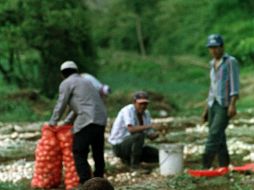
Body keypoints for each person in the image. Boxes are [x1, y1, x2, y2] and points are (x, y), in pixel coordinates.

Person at [48, 60, 107, 184]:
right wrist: (67, 122)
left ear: (62, 74)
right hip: (101, 119)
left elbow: (61, 104)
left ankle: (85, 181)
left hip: (87, 120)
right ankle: (100, 179)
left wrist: (52, 122)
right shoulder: (87, 82)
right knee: (98, 151)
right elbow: (81, 105)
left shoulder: (66, 83)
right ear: (76, 71)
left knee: (78, 151)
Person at [201, 34, 240, 169]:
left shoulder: (230, 61)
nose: (213, 51)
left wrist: (233, 104)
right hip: (213, 104)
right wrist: (206, 109)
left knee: (214, 134)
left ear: (222, 47)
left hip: (224, 104)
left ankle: (205, 166)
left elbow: (234, 84)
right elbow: (212, 88)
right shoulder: (212, 64)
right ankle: (224, 165)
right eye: (211, 48)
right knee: (220, 137)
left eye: (216, 47)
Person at [108, 91, 159, 169]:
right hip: (119, 146)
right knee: (139, 136)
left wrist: (156, 134)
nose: (143, 106)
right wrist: (149, 126)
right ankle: (135, 166)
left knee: (158, 154)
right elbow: (131, 129)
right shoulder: (128, 110)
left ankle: (129, 161)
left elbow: (150, 136)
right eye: (141, 104)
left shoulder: (146, 114)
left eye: (145, 104)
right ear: (134, 102)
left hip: (133, 146)